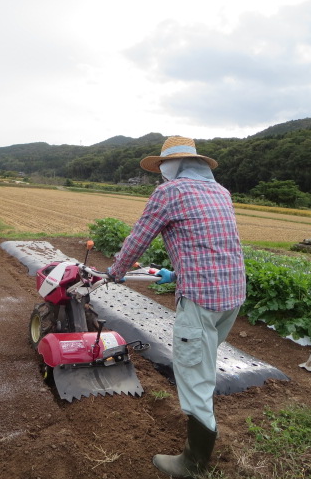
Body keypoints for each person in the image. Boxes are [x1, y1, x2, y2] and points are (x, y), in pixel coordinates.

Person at [107, 136, 246, 478]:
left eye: (164, 167)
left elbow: (139, 238)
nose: (163, 174)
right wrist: (175, 271)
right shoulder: (221, 192)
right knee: (205, 359)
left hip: (200, 298)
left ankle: (192, 464)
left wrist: (115, 272)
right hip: (232, 295)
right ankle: (202, 437)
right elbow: (210, 242)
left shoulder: (168, 193)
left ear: (173, 165)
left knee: (193, 375)